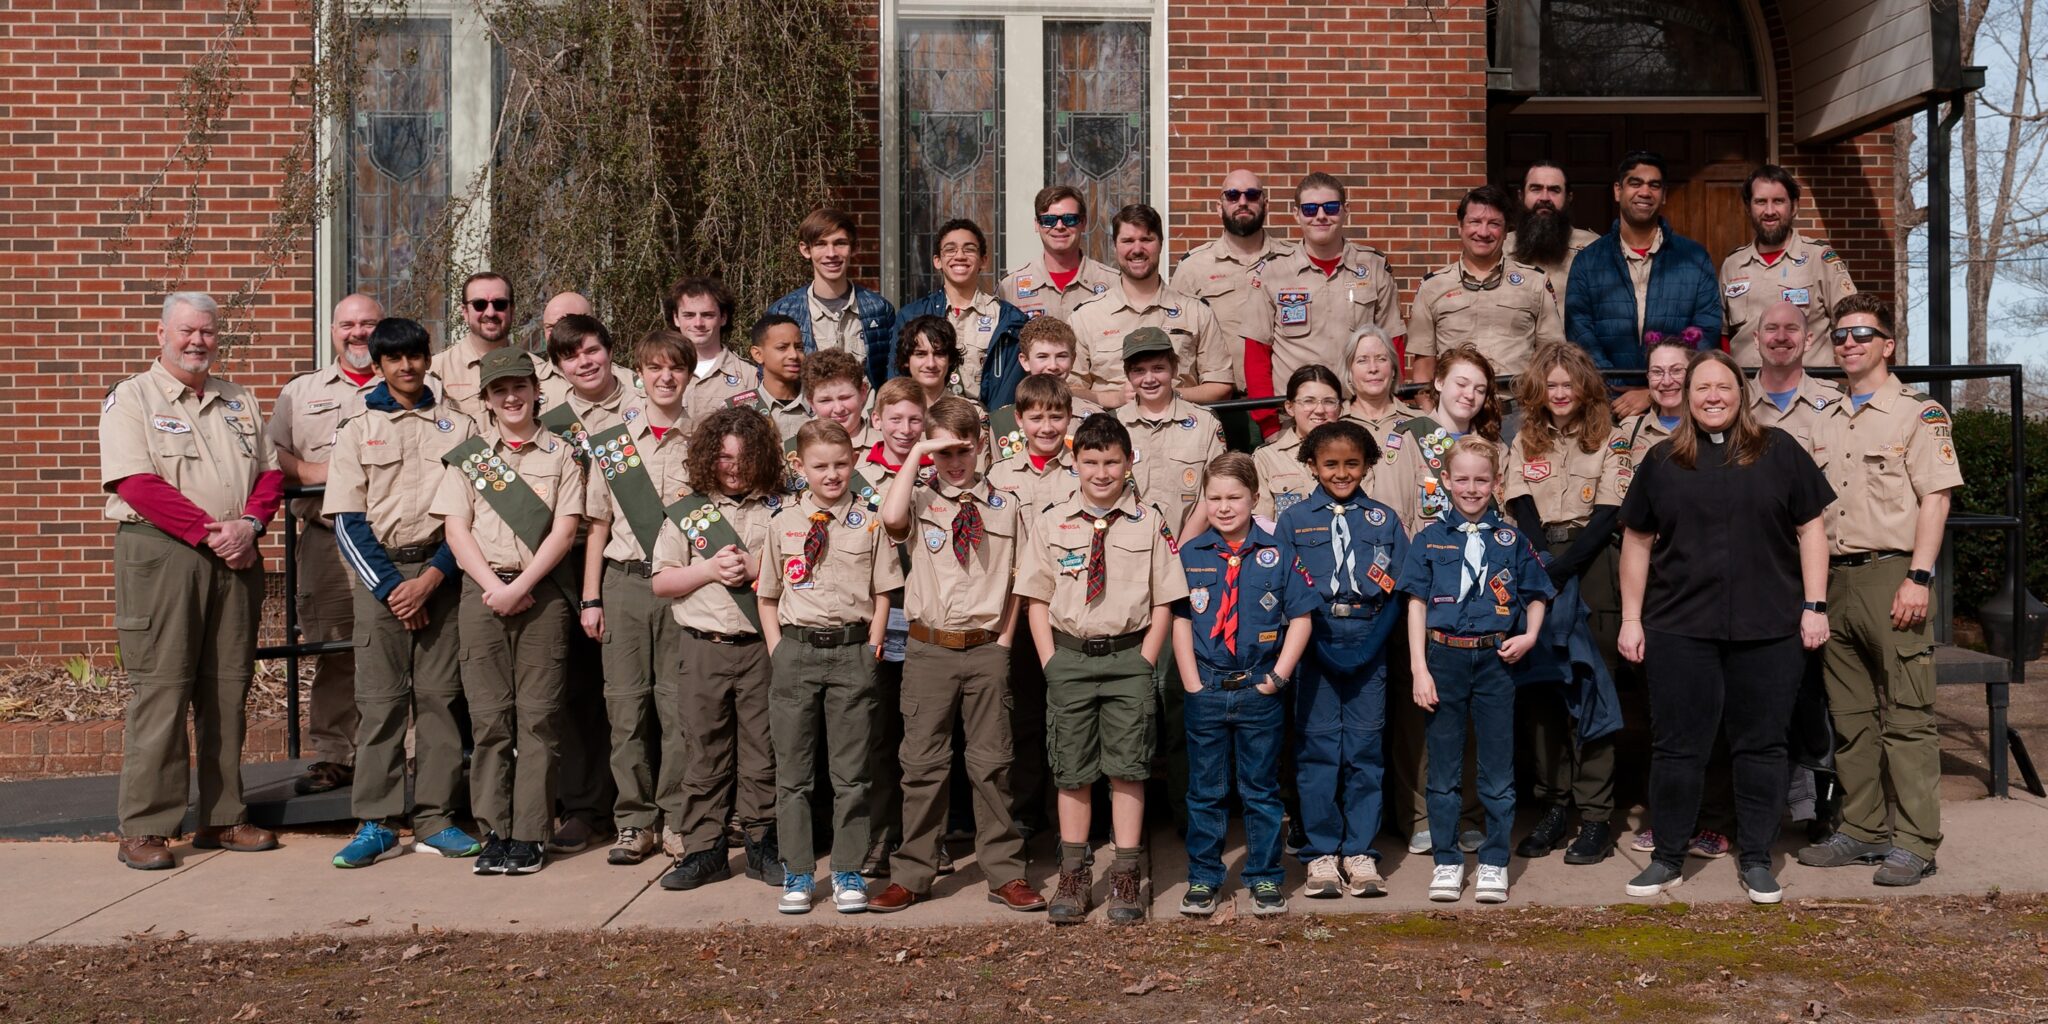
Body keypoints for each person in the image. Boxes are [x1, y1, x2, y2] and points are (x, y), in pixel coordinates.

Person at [1618, 349, 1834, 904]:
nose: (1713, 397)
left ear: (1742, 394)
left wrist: (1815, 605)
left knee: (1761, 746)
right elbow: (1637, 543)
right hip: (1679, 627)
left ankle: (1758, 858)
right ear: (1686, 398)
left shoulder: (1779, 451)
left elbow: (1812, 528)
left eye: (1724, 387)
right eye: (1701, 389)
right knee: (1676, 747)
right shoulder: (1663, 461)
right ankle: (1667, 858)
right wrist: (1631, 619)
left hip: (1770, 626)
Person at [101, 292, 284, 870]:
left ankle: (224, 816)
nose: (197, 341)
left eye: (207, 332)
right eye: (186, 331)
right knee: (163, 689)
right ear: (162, 334)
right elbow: (136, 483)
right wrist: (214, 534)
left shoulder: (240, 400)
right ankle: (148, 827)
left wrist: (251, 525)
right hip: (164, 557)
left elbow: (271, 474)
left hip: (236, 557)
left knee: (227, 688)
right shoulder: (132, 397)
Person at [1795, 294, 1963, 887]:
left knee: (1910, 715)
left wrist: (1919, 575)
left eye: (1863, 334)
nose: (1850, 344)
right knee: (1851, 714)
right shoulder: (1824, 418)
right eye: (1841, 336)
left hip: (1894, 575)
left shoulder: (1919, 415)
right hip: (1835, 579)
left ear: (1888, 344)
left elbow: (1936, 497)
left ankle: (1917, 841)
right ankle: (1863, 830)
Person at [867, 397, 1044, 914]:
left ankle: (1005, 873)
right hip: (930, 649)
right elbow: (891, 516)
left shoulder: (1005, 506)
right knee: (922, 765)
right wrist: (919, 451)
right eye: (944, 453)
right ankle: (913, 873)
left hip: (987, 648)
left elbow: (1020, 581)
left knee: (992, 764)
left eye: (963, 450)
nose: (955, 462)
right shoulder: (920, 501)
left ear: (981, 445)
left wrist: (1006, 641)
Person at [1015, 413, 1189, 925]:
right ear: (1074, 462)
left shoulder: (1149, 521)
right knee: (1072, 770)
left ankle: (1126, 875)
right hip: (1069, 657)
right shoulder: (1051, 521)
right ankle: (1072, 874)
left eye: (1112, 461)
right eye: (1091, 461)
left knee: (1128, 767)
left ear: (1128, 462)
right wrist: (1050, 660)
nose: (1101, 472)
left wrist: (1145, 659)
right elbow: (1036, 600)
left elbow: (1165, 600)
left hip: (1128, 659)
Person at [325, 317, 483, 867]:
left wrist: (433, 579)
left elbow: (473, 513)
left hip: (442, 572)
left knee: (441, 700)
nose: (407, 367)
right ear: (379, 364)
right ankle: (376, 820)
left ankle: (437, 818)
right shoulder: (355, 428)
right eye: (394, 359)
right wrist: (395, 590)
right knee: (381, 704)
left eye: (415, 355)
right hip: (383, 581)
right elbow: (347, 519)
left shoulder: (458, 427)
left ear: (427, 357)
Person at [431, 347, 585, 875]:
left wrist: (521, 584)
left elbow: (565, 531)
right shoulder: (471, 457)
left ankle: (532, 832)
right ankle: (495, 829)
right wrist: (493, 588)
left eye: (519, 386)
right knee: (490, 719)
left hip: (541, 595)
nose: (512, 397)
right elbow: (456, 529)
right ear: (487, 400)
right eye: (500, 391)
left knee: (539, 719)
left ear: (536, 391)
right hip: (483, 593)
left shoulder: (562, 454)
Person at [758, 419, 903, 915]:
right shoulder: (782, 523)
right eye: (820, 466)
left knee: (851, 773)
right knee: (793, 774)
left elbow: (884, 591)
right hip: (796, 651)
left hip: (852, 651)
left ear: (854, 462)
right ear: (800, 467)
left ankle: (846, 870)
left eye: (842, 464)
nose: (833, 474)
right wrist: (778, 648)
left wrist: (873, 644)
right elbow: (767, 594)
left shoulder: (870, 521)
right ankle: (797, 871)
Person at [1403, 436, 1554, 904]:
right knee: (1443, 769)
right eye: (1462, 479)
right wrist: (1419, 669)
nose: (1471, 488)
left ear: (1497, 483)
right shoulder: (1428, 538)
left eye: (1481, 480)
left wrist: (1529, 635)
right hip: (1443, 658)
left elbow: (1536, 593)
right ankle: (1447, 861)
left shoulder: (1511, 538)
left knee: (1496, 770)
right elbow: (1416, 604)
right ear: (1445, 481)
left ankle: (1493, 861)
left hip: (1495, 661)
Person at [1371, 346, 1505, 854]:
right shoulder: (1407, 438)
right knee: (1418, 710)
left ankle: (1466, 811)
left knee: (1468, 710)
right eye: (1461, 383)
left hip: (1477, 597)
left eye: (1480, 388)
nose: (1469, 394)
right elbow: (1393, 516)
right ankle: (1421, 812)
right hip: (1422, 591)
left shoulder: (1490, 447)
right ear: (1439, 383)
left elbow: (1503, 523)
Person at [1173, 452, 1317, 917]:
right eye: (1213, 497)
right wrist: (1192, 683)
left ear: (1255, 498)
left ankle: (1265, 877)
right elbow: (1179, 620)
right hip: (1207, 688)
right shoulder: (1191, 553)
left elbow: (1300, 618)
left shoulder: (1278, 553)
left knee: (1260, 789)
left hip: (1259, 688)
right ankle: (1204, 876)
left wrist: (1278, 678)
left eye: (1234, 497)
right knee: (1206, 790)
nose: (1224, 506)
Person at [648, 407, 784, 892]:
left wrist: (756, 567)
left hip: (761, 646)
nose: (734, 466)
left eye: (744, 457)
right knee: (703, 750)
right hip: (703, 646)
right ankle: (704, 850)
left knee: (762, 751)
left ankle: (763, 846)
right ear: (709, 458)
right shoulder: (690, 510)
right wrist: (707, 570)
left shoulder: (780, 508)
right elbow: (662, 582)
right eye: (724, 457)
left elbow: (801, 571)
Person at [1503, 342, 1628, 865]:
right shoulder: (1524, 438)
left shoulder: (1611, 439)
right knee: (1543, 689)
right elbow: (1518, 502)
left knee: (1592, 686)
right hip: (1536, 560)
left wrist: (1565, 566)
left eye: (1568, 384)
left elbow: (1607, 514)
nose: (1559, 393)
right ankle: (1554, 805)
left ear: (1584, 386)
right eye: (1550, 384)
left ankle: (1595, 814)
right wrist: (1540, 564)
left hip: (1591, 563)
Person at [577, 329, 697, 866]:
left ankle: (676, 818)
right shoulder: (614, 441)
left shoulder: (705, 440)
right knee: (625, 708)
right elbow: (598, 526)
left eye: (675, 368)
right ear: (640, 373)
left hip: (685, 587)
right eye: (654, 368)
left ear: (688, 374)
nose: (665, 377)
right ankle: (634, 821)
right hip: (623, 583)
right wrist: (590, 598)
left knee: (677, 708)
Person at [1276, 420, 1407, 900]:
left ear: (1368, 464)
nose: (1341, 472)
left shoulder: (1385, 520)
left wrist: (1373, 647)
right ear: (1312, 465)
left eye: (1352, 463)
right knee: (1317, 751)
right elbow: (1287, 590)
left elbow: (1399, 590)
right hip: (1314, 642)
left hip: (1368, 641)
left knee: (1364, 751)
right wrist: (1315, 645)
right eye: (1330, 463)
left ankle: (1360, 851)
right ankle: (1322, 853)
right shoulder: (1293, 520)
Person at [269, 292, 383, 796]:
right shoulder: (301, 392)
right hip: (326, 537)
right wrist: (321, 473)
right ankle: (336, 755)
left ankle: (400, 755)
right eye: (348, 325)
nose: (357, 333)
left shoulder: (410, 381)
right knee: (336, 647)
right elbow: (272, 454)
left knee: (403, 647)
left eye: (368, 324)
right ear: (333, 330)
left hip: (389, 542)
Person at [544, 313, 642, 854]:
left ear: (609, 348)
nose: (585, 361)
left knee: (643, 694)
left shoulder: (644, 395)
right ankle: (585, 807)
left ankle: (650, 808)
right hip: (573, 552)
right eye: (571, 356)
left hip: (640, 553)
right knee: (581, 689)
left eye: (593, 349)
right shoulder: (553, 418)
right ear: (559, 366)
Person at [986, 371, 1084, 837]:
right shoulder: (1000, 475)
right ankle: (1024, 814)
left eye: (1056, 417)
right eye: (1037, 417)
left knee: (1072, 713)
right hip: (1019, 612)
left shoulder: (1084, 469)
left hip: (1071, 609)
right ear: (1019, 420)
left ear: (1070, 419)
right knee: (1023, 717)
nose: (1047, 427)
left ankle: (1076, 815)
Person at [1563, 151, 1721, 415]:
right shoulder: (1588, 261)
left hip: (1677, 407)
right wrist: (1616, 389)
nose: (1645, 192)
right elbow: (1580, 333)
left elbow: (1705, 331)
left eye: (1654, 185)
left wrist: (1654, 391)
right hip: (1607, 405)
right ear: (1618, 190)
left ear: (1664, 194)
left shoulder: (1694, 258)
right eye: (1635, 183)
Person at [1251, 172, 1405, 395]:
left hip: (1360, 409)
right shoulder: (1273, 272)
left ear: (1346, 210)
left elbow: (1393, 343)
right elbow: (1257, 353)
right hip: (1297, 417)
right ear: (1296, 214)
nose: (1321, 216)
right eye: (1310, 209)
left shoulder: (1373, 267)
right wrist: (1269, 424)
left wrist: (1389, 404)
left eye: (1331, 207)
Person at [1069, 203, 1235, 407]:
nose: (1137, 249)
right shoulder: (1086, 316)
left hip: (1181, 431)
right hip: (1109, 431)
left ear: (1161, 244)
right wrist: (1114, 398)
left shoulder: (1196, 312)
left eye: (1146, 240)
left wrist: (1169, 395)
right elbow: (1070, 389)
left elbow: (1221, 385)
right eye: (1128, 241)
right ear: (1115, 246)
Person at [1406, 184, 1564, 381]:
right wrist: (1430, 411)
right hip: (1454, 406)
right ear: (1460, 227)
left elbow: (1553, 357)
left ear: (1506, 231)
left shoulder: (1535, 283)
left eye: (1494, 224)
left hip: (1517, 406)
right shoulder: (1433, 287)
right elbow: (1423, 368)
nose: (1483, 232)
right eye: (1475, 221)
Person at [1170, 168, 1295, 396]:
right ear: (1220, 207)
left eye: (1252, 195)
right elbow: (1178, 341)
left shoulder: (1294, 260)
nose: (1243, 201)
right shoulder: (1193, 268)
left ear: (1266, 204)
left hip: (1282, 401)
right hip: (1219, 403)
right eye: (1233, 195)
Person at [1720, 165, 1857, 367]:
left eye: (1778, 201)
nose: (1769, 211)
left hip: (1810, 390)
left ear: (1794, 206)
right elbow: (1723, 337)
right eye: (1760, 202)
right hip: (1750, 390)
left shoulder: (1818, 258)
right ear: (1748, 208)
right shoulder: (1733, 265)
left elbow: (1852, 323)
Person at [895, 218, 1029, 407]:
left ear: (984, 260)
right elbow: (897, 382)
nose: (959, 256)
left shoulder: (1008, 320)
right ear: (937, 261)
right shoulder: (911, 316)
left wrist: (992, 430)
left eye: (969, 249)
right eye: (950, 249)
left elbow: (1010, 388)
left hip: (986, 428)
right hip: (926, 425)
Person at [767, 207, 899, 388]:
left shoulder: (878, 310)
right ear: (806, 250)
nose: (831, 253)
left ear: (855, 248)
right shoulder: (784, 312)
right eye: (821, 244)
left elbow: (892, 374)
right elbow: (771, 378)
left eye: (840, 243)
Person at [429, 272, 568, 418]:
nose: (490, 312)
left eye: (499, 304)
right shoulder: (437, 372)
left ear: (512, 310)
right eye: (479, 304)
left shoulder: (538, 371)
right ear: (465, 312)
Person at [999, 184, 1119, 323]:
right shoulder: (1009, 287)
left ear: (1083, 222)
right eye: (1049, 220)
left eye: (1069, 219)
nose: (1059, 226)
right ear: (1037, 225)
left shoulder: (1113, 283)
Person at [988, 318, 1101, 458]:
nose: (1053, 365)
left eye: (1061, 356)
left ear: (1073, 360)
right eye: (1042, 356)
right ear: (1025, 361)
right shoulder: (1002, 422)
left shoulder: (1097, 418)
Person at [1505, 160, 1602, 313]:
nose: (1544, 198)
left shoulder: (1593, 248)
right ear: (1521, 195)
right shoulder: (1501, 248)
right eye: (1535, 189)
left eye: (1554, 190)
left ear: (1569, 197)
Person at [1252, 365, 1344, 520]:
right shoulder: (1266, 458)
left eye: (1329, 401)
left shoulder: (1355, 454)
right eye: (1309, 401)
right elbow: (1262, 523)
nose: (1320, 410)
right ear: (1290, 407)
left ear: (1340, 408)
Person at [670, 276, 753, 430]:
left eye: (707, 315)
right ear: (676, 318)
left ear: (723, 318)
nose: (698, 323)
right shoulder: (655, 374)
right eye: (689, 315)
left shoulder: (749, 376)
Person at [1341, 325, 1422, 440]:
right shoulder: (1333, 421)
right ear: (1349, 371)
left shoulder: (1420, 422)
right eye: (1362, 360)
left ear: (1393, 369)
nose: (1373, 368)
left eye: (1381, 359)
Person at [748, 314, 812, 440]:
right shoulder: (741, 409)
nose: (794, 355)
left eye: (799, 347)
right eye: (782, 348)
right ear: (758, 354)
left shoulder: (821, 405)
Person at [895, 315, 977, 409]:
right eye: (921, 354)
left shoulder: (968, 413)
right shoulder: (889, 411)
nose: (931, 364)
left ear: (950, 359)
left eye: (939, 354)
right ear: (906, 360)